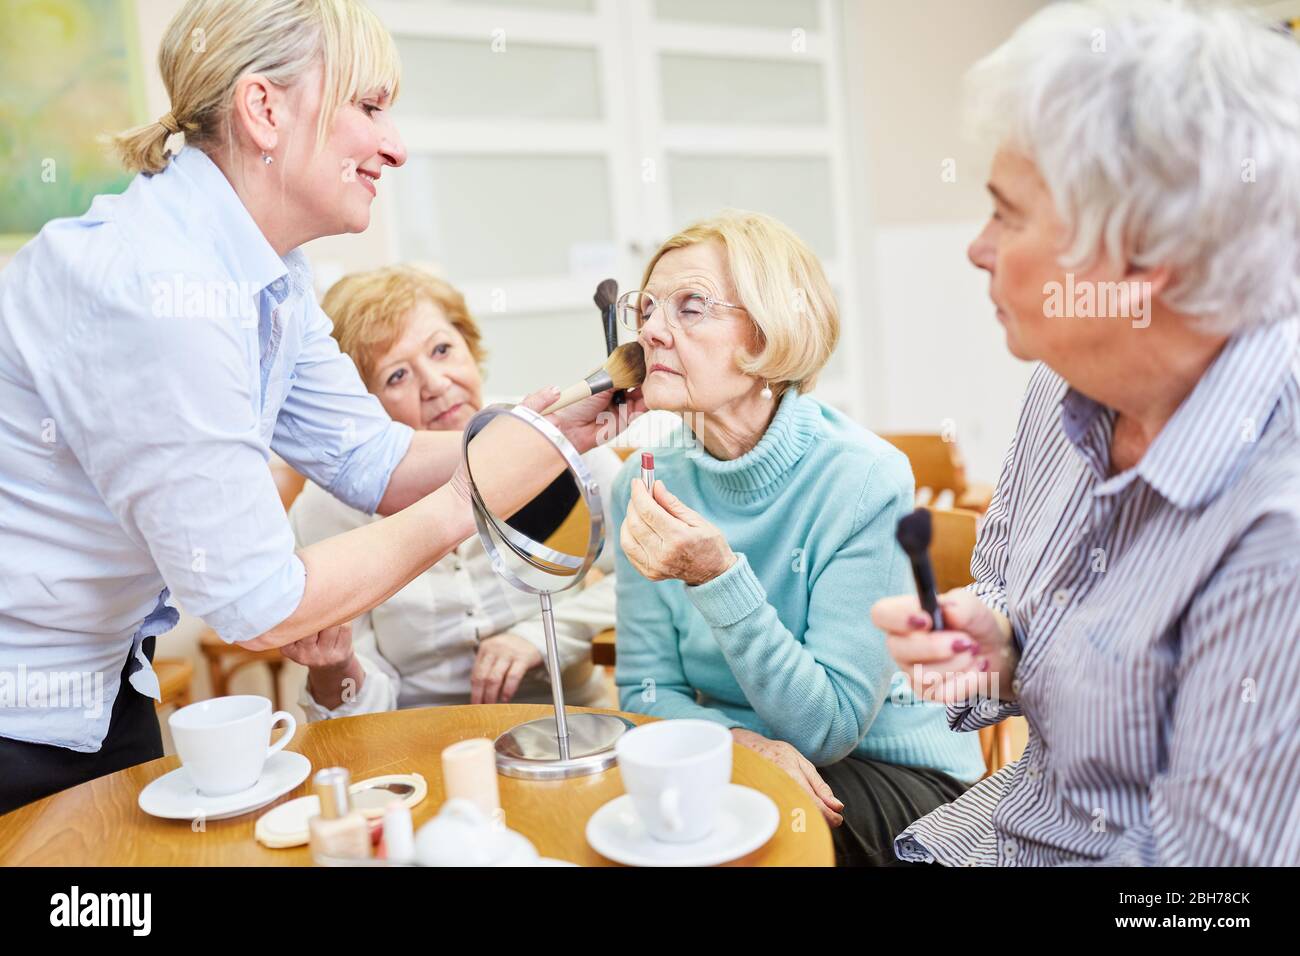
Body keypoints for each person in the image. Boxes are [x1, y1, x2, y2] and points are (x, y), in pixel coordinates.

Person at [0, 0, 639, 814]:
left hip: (101, 691)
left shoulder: (268, 274)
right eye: (369, 108)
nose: (395, 146)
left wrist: (553, 428)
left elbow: (376, 459)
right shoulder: (160, 295)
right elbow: (260, 605)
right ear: (264, 110)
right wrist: (467, 498)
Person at [874, 0, 1300, 865]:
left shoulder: (1276, 530)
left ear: (1144, 257)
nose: (977, 249)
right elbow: (1008, 604)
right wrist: (996, 653)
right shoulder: (1065, 388)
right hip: (985, 834)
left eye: (1008, 214)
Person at [612, 211, 985, 867]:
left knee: (737, 846)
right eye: (645, 309)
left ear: (767, 332)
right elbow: (644, 695)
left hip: (893, 769)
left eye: (689, 306)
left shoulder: (863, 478)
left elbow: (828, 726)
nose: (650, 329)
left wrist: (719, 578)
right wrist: (741, 745)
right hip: (742, 758)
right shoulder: (641, 488)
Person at [283, 266, 618, 717]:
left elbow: (646, 575)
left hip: (571, 718)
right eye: (397, 376)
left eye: (442, 349)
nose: (436, 384)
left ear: (469, 345)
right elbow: (357, 709)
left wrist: (537, 638)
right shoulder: (323, 513)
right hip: (418, 741)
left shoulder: (549, 438)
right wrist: (334, 667)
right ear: (359, 404)